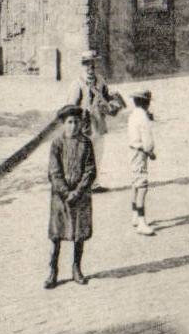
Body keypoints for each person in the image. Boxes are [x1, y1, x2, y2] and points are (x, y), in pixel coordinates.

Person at [45, 103, 96, 289]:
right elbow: (54, 172)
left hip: (80, 197)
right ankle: (53, 270)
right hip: (60, 198)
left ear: (81, 123)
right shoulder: (57, 144)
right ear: (63, 124)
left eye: (76, 122)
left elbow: (90, 171)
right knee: (56, 234)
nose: (73, 126)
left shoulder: (86, 143)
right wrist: (66, 193)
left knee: (78, 233)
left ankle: (76, 268)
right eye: (69, 122)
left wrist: (78, 192)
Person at [61, 50, 125, 185]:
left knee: (98, 154)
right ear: (82, 65)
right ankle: (81, 184)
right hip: (84, 128)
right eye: (87, 64)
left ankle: (94, 183)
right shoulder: (77, 84)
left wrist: (113, 102)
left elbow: (107, 97)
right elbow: (70, 109)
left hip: (99, 125)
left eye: (93, 64)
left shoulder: (100, 80)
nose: (90, 68)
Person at [127, 89, 156, 236]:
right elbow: (147, 140)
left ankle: (134, 215)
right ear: (147, 103)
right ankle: (141, 221)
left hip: (132, 150)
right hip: (140, 152)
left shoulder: (132, 115)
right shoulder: (143, 117)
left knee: (135, 184)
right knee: (143, 186)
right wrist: (150, 152)